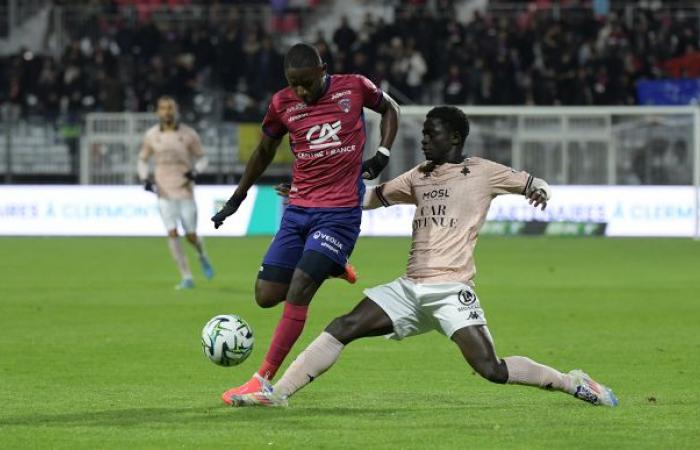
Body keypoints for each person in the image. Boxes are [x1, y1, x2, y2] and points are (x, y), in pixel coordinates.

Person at [228, 106, 618, 408]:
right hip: (411, 286)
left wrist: (541, 191)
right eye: (423, 133)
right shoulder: (419, 175)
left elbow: (534, 183)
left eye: (432, 133)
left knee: (491, 369)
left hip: (451, 289)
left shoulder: (483, 172)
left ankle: (574, 382)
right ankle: (276, 391)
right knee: (343, 326)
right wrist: (309, 193)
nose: (424, 139)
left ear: (456, 137)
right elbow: (368, 198)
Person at [212, 43, 401, 399]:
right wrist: (237, 199)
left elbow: (390, 109)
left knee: (299, 287)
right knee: (266, 296)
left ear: (322, 70)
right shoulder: (282, 103)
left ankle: (263, 379)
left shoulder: (354, 87)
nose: (301, 91)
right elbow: (264, 151)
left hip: (339, 214)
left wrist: (382, 154)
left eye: (307, 83)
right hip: (298, 209)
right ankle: (331, 265)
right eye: (294, 83)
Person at [138, 96, 214, 290]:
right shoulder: (151, 135)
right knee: (172, 232)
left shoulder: (189, 134)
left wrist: (195, 171)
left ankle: (201, 254)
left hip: (184, 190)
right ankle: (186, 276)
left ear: (176, 110)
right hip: (163, 191)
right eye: (163, 108)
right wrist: (145, 177)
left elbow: (202, 158)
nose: (167, 112)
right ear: (158, 112)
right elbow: (143, 159)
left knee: (190, 234)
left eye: (170, 108)